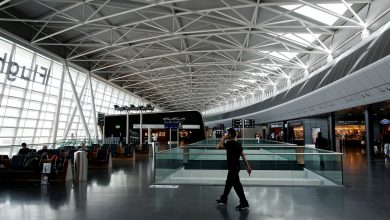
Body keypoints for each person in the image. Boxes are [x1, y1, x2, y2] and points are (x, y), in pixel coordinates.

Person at [216, 128, 252, 210]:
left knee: (236, 185)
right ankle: (224, 199)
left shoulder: (230, 143)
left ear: (230, 135)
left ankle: (243, 202)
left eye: (226, 133)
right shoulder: (238, 144)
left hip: (233, 168)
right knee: (230, 183)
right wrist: (248, 167)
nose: (225, 134)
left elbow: (218, 147)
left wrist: (223, 138)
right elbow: (243, 156)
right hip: (236, 167)